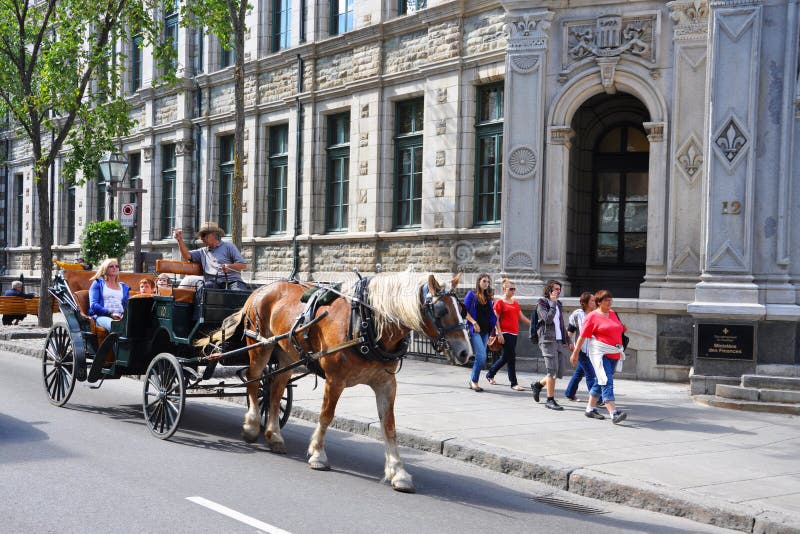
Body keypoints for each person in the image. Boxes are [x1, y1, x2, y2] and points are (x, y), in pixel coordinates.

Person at [569, 289, 628, 424]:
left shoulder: (612, 313)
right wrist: (575, 353)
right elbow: (583, 336)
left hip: (614, 353)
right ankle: (613, 413)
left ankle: (590, 409)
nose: (610, 302)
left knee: (599, 381)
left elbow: (618, 329)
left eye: (610, 300)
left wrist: (622, 329)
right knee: (606, 380)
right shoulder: (592, 317)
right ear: (599, 302)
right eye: (606, 300)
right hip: (600, 353)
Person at [530, 280, 574, 410]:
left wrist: (568, 341)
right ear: (549, 290)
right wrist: (553, 303)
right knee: (552, 370)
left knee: (559, 370)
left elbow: (561, 325)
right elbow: (547, 319)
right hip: (547, 340)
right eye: (555, 289)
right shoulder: (542, 303)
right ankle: (550, 400)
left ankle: (538, 385)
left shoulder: (558, 304)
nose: (558, 291)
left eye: (559, 289)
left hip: (559, 340)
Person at [486, 278, 531, 391]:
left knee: (506, 357)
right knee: (511, 357)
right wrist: (499, 333)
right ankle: (514, 383)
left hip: (514, 333)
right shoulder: (500, 302)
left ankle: (490, 374)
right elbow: (495, 319)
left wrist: (533, 325)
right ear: (504, 289)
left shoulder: (515, 302)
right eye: (511, 289)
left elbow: (521, 317)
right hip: (505, 333)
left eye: (514, 289)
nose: (513, 291)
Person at [173, 222, 247, 290]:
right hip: (213, 283)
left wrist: (229, 267)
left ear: (214, 234)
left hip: (232, 281)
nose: (201, 238)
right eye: (201, 236)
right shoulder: (202, 251)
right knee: (202, 290)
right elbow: (186, 255)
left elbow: (243, 265)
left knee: (239, 293)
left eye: (204, 235)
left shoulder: (229, 246)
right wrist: (179, 240)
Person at [564, 292, 601, 404]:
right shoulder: (578, 314)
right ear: (584, 303)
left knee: (579, 373)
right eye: (592, 300)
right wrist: (568, 343)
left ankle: (570, 393)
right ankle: (597, 399)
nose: (594, 302)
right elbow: (570, 331)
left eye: (595, 300)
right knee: (591, 375)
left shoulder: (598, 314)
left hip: (594, 350)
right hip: (582, 350)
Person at [463, 274, 497, 392]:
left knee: (481, 357)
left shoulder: (488, 297)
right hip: (475, 330)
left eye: (488, 282)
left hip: (486, 330)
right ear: (478, 282)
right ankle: (474, 381)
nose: (486, 283)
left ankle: (473, 380)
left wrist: (494, 330)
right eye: (484, 281)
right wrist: (473, 322)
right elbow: (464, 311)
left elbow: (491, 314)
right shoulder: (471, 295)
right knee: (482, 356)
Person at [88, 258, 130, 331]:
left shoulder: (124, 287)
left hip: (121, 316)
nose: (115, 268)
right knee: (116, 326)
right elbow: (93, 305)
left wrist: (124, 315)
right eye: (111, 266)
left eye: (117, 266)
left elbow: (127, 305)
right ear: (105, 269)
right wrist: (110, 314)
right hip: (102, 316)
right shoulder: (97, 283)